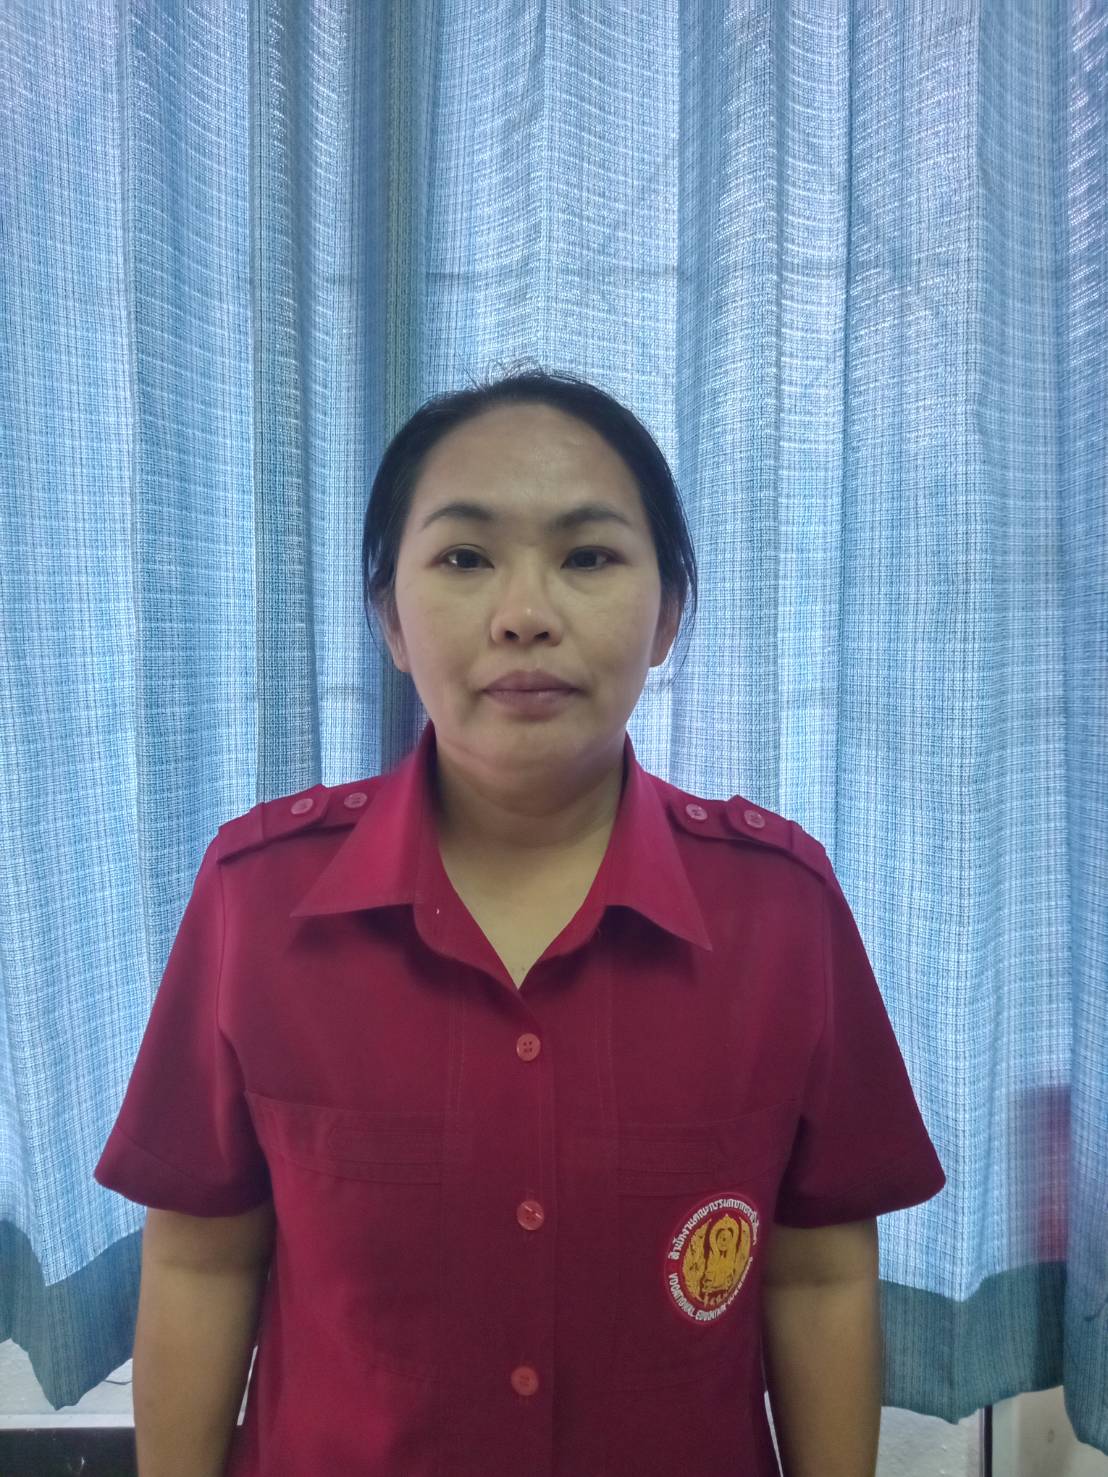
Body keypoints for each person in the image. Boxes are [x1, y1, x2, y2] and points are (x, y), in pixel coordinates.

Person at [95, 365, 946, 1477]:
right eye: (464, 557)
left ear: (667, 616)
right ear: (390, 620)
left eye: (588, 556)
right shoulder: (258, 899)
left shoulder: (780, 910)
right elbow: (203, 1261)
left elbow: (817, 1273)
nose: (525, 614)